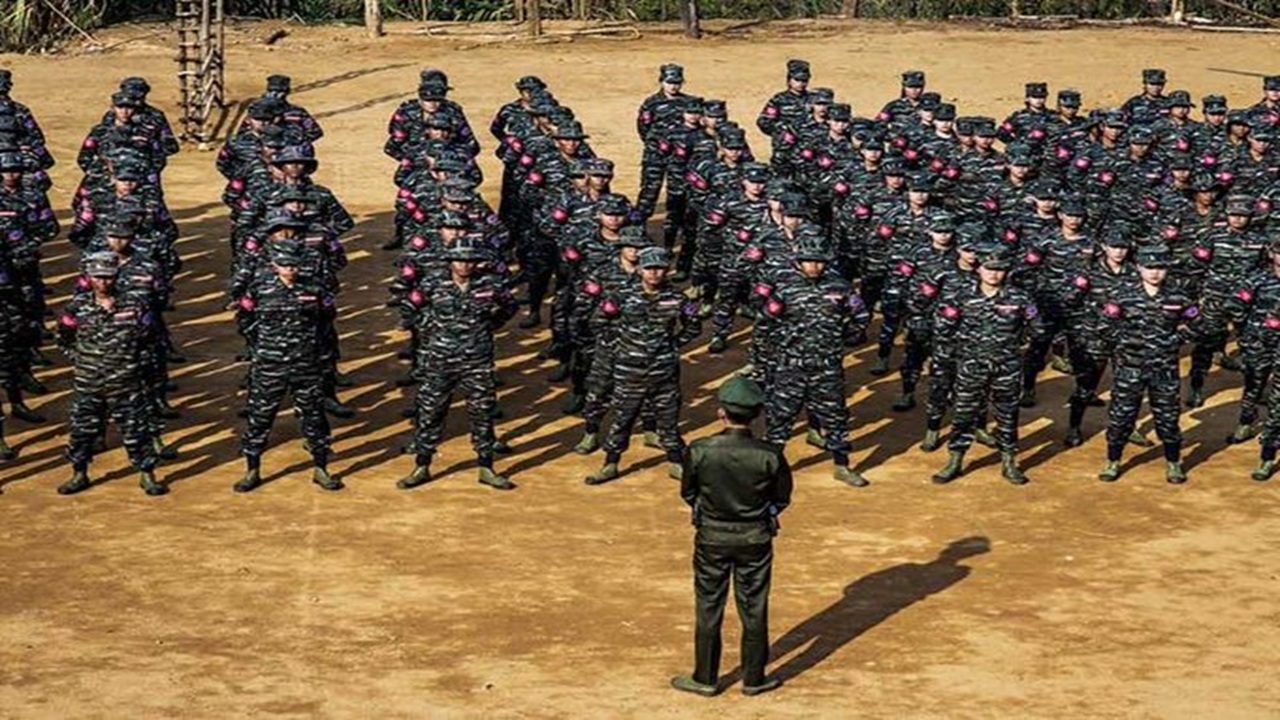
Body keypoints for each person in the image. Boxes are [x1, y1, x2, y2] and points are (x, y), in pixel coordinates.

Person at [672, 375, 791, 698]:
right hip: (755, 539)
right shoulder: (770, 454)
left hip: (711, 536)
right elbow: (781, 498)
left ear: (721, 412)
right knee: (754, 607)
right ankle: (754, 678)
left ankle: (705, 677)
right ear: (756, 415)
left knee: (709, 606)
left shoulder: (699, 450)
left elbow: (688, 492)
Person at [1093, 244, 1199, 484]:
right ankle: (1113, 461)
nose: (1155, 272)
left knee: (1168, 418)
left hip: (1165, 369)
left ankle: (1173, 463)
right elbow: (1104, 326)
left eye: (1160, 267)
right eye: (1149, 267)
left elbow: (1198, 324)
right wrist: (1126, 340)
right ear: (1139, 267)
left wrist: (1176, 339)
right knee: (1122, 416)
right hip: (1130, 367)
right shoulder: (1122, 294)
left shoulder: (1178, 297)